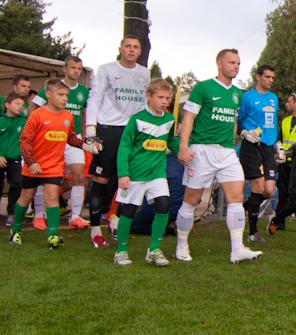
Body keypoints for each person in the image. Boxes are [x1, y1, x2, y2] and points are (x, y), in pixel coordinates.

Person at [174, 49, 262, 264]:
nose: (236, 66)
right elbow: (189, 119)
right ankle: (181, 245)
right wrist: (183, 147)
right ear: (219, 64)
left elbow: (232, 120)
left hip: (226, 152)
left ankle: (237, 249)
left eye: (238, 63)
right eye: (231, 62)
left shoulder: (237, 94)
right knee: (192, 199)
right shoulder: (202, 87)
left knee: (236, 198)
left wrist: (238, 136)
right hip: (201, 150)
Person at [6, 79, 100, 249]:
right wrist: (31, 162)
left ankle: (53, 235)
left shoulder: (68, 116)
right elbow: (25, 141)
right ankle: (15, 230)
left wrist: (86, 145)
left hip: (54, 166)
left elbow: (71, 138)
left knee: (52, 198)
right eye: (60, 95)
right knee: (26, 197)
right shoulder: (37, 115)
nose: (65, 99)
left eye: (66, 95)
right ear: (48, 95)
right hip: (34, 166)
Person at [85, 36, 150, 248]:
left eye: (136, 47)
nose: (131, 50)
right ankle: (95, 229)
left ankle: (116, 220)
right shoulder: (106, 69)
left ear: (140, 51)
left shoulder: (144, 73)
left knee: (130, 178)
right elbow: (94, 98)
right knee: (101, 180)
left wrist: (145, 129)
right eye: (128, 46)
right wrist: (90, 130)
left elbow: (143, 103)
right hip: (107, 129)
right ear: (120, 48)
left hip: (132, 131)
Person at [113, 78, 179, 266]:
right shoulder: (136, 119)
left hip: (157, 173)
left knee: (163, 205)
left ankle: (154, 249)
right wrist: (123, 173)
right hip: (135, 174)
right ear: (148, 96)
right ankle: (121, 251)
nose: (165, 101)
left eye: (168, 98)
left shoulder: (169, 119)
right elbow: (124, 147)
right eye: (161, 97)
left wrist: (183, 153)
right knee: (128, 210)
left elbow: (171, 141)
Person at [30, 56, 91, 230]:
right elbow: (32, 109)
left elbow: (85, 114)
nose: (76, 71)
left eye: (79, 69)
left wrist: (84, 136)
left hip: (74, 138)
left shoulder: (83, 92)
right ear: (64, 69)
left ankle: (75, 217)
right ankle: (39, 215)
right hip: (51, 137)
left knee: (79, 177)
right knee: (45, 177)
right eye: (73, 68)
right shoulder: (52, 88)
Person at [236, 65, 281, 244]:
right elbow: (239, 121)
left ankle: (249, 206)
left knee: (269, 191)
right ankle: (253, 232)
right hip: (252, 145)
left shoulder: (273, 98)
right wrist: (245, 133)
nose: (270, 80)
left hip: (269, 147)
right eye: (267, 77)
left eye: (272, 77)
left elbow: (273, 122)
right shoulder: (247, 97)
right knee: (258, 187)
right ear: (258, 77)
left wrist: (277, 145)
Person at [0, 93, 26, 231]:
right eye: (17, 104)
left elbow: (25, 140)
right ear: (7, 105)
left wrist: (19, 154)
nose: (20, 107)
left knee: (18, 183)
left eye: (22, 105)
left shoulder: (23, 122)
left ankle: (12, 213)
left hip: (14, 159)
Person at [271, 92, 296, 233]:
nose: (287, 104)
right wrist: (279, 150)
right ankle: (279, 221)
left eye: (289, 101)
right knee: (282, 191)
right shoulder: (286, 121)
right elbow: (280, 138)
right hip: (284, 162)